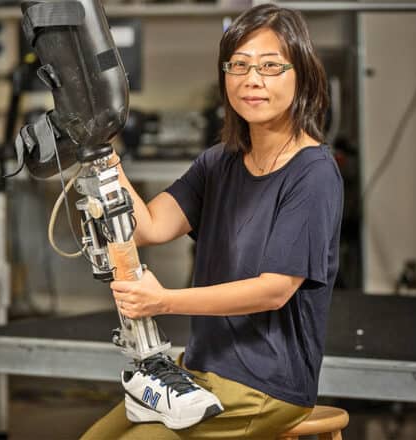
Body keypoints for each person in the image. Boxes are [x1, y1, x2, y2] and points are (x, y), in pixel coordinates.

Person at [82, 3, 343, 439]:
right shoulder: (219, 162)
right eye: (238, 65)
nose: (252, 79)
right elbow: (149, 227)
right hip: (198, 368)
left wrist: (162, 301)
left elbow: (274, 290)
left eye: (270, 66)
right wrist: (101, 152)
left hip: (265, 384)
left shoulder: (312, 173)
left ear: (301, 76)